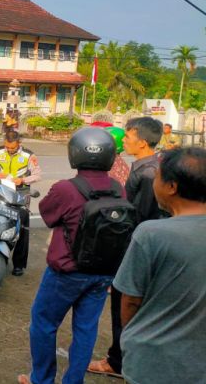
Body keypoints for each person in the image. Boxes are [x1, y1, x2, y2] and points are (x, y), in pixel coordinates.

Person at [19, 127, 123, 384]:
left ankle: (41, 379)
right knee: (86, 329)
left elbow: (47, 215)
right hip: (103, 273)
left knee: (43, 323)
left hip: (66, 272)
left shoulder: (66, 188)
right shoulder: (118, 187)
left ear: (74, 154)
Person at [111, 147, 206, 384]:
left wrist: (131, 337)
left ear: (172, 187)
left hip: (154, 362)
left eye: (158, 177)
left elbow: (130, 299)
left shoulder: (152, 234)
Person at [88, 117, 165, 379]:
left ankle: (117, 362)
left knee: (124, 305)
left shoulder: (146, 173)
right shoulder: (152, 166)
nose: (125, 140)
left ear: (142, 142)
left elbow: (138, 217)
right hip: (147, 246)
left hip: (136, 248)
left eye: (129, 137)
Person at [0, 130, 41, 276]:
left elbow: (37, 174)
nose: (10, 150)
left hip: (21, 193)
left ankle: (19, 265)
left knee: (21, 229)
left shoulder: (29, 155)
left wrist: (23, 180)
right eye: (7, 147)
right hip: (1, 190)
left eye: (13, 148)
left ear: (19, 144)